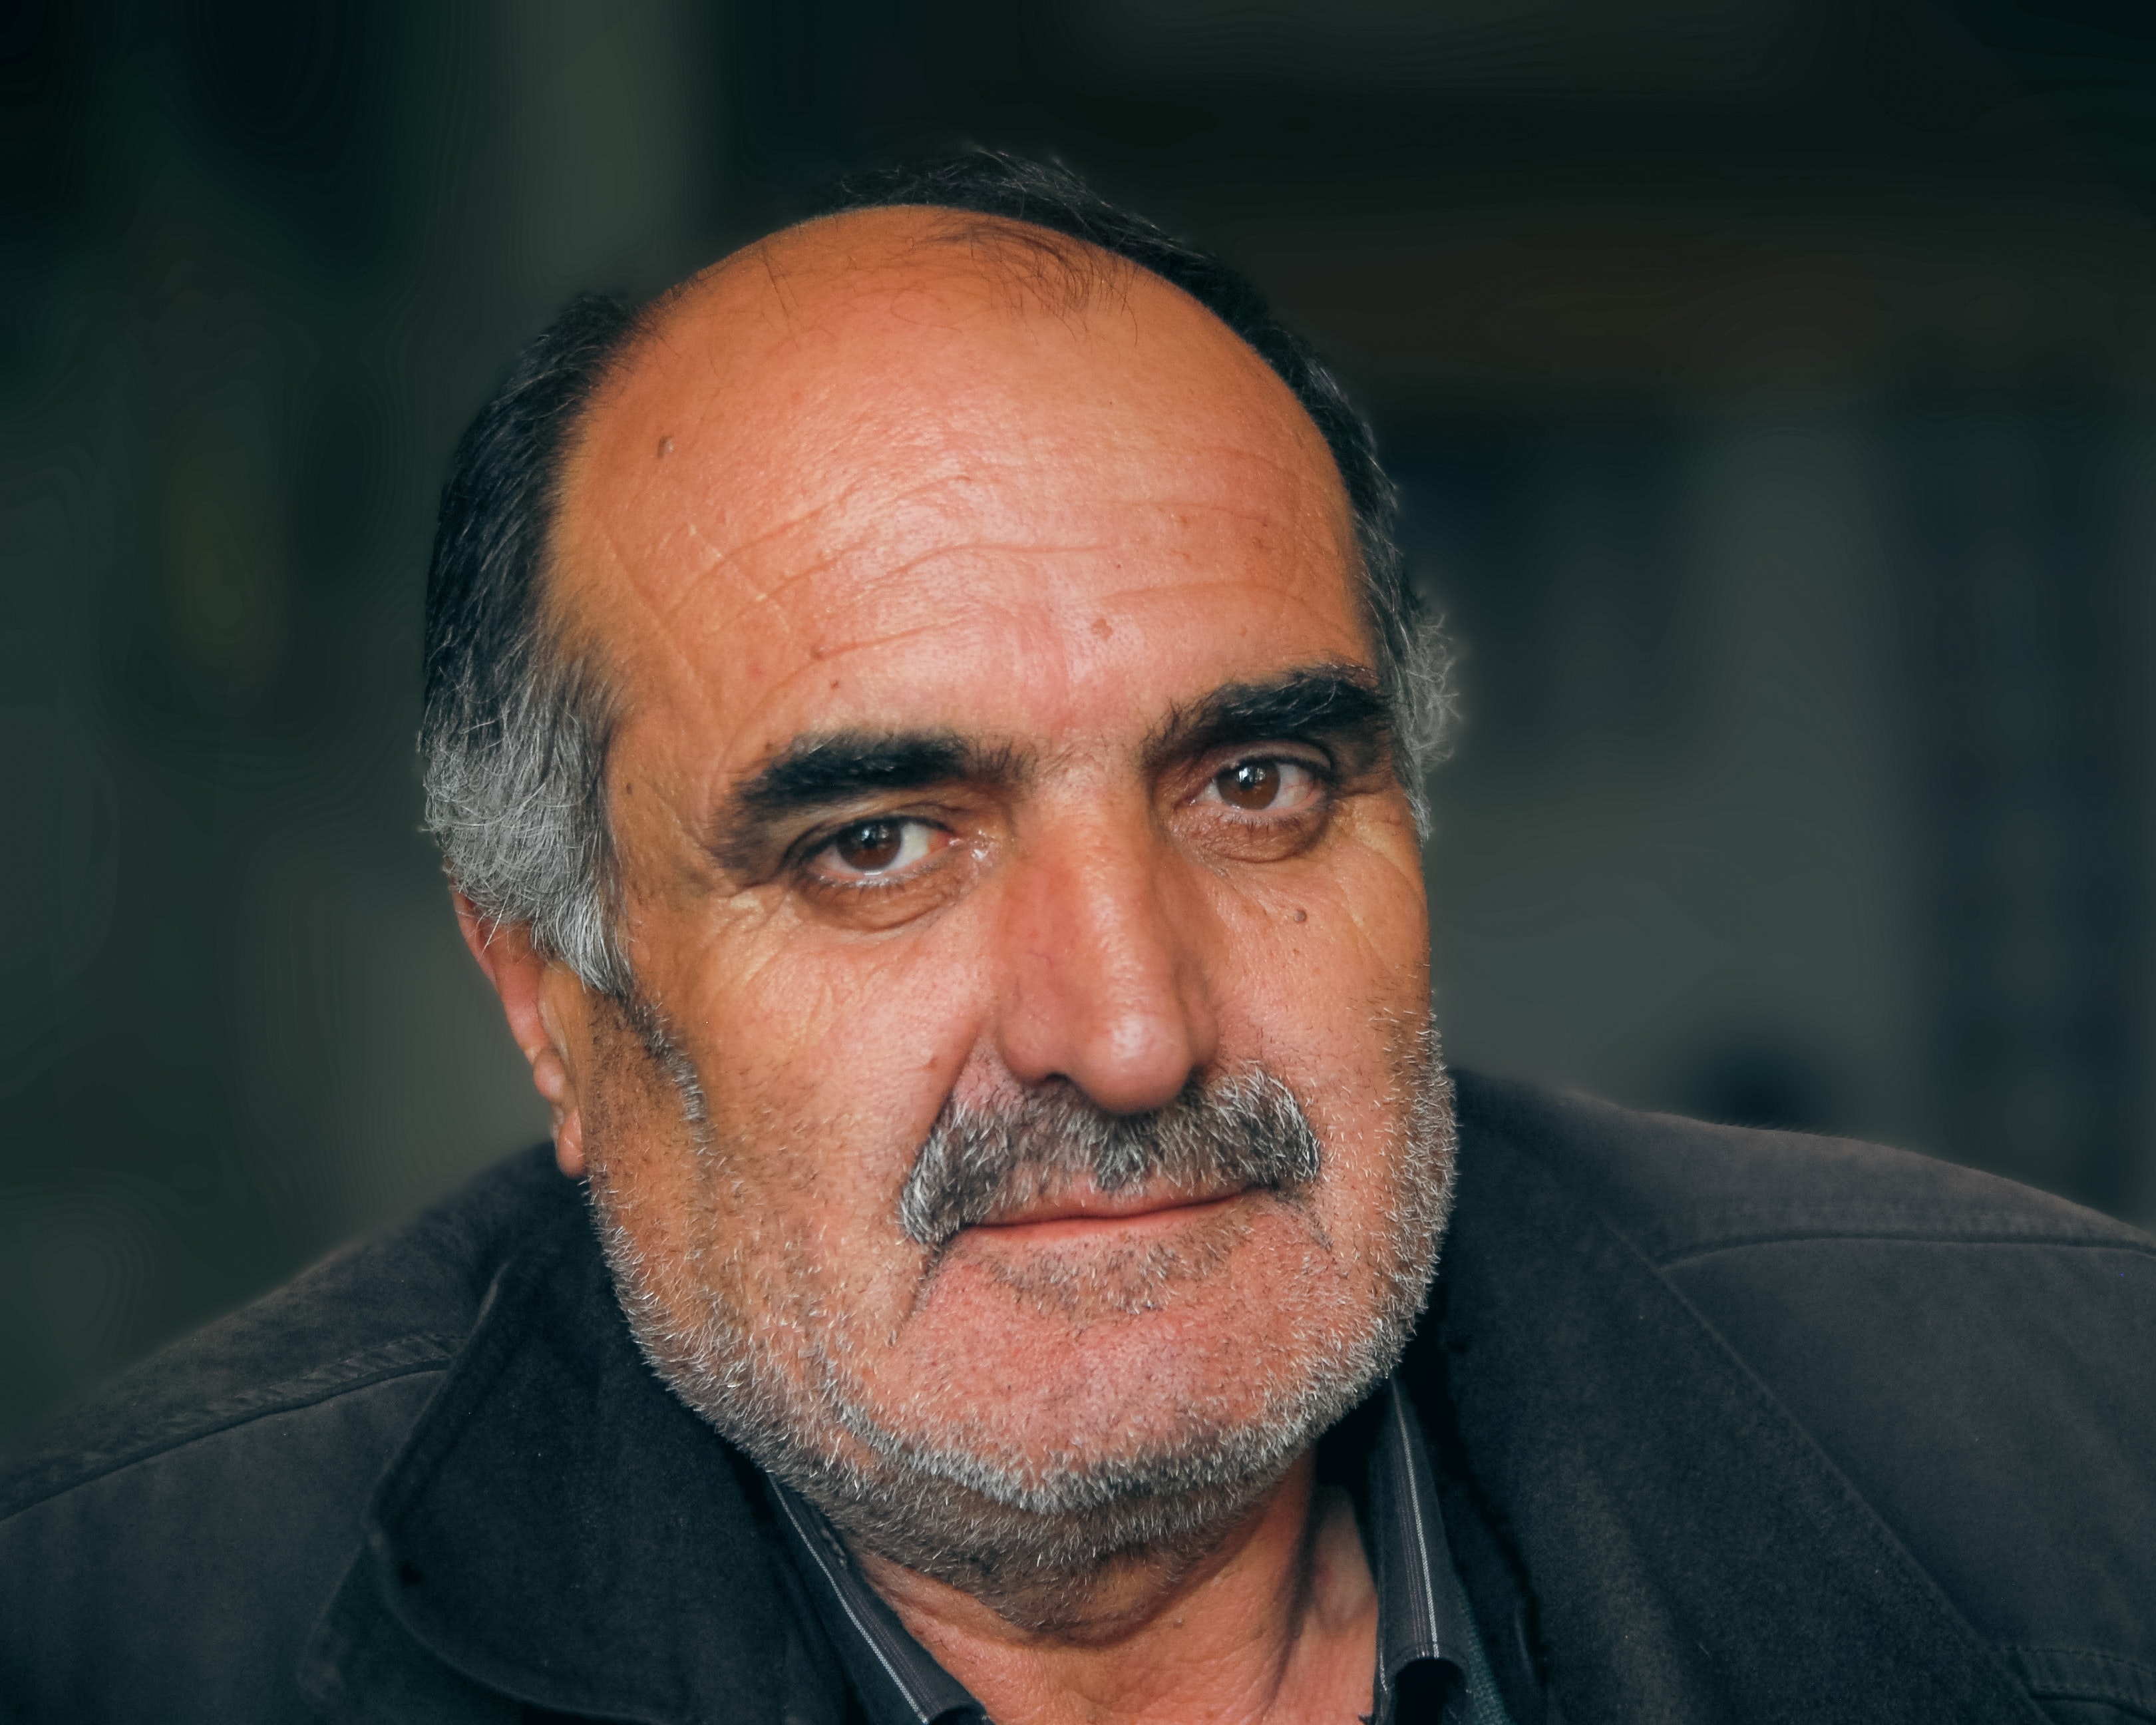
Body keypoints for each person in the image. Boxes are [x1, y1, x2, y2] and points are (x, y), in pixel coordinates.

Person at [3, 153, 2151, 1725]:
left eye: (1257, 784)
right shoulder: (105, 1641)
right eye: (877, 845)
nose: (1129, 1031)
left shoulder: (2081, 1455)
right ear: (554, 1006)